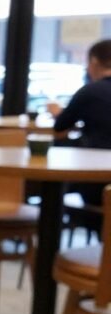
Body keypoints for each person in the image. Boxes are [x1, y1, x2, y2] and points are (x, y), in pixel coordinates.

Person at [48, 39, 111, 206]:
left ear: (94, 62)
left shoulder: (90, 91)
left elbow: (60, 126)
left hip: (97, 184)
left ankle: (50, 219)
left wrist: (57, 113)